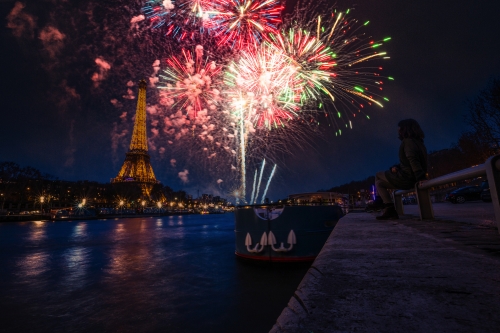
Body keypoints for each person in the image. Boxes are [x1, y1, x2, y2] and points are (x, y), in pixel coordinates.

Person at [374, 119, 428, 220]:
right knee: (379, 184)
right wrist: (397, 167)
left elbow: (413, 159)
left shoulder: (408, 142)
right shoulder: (420, 143)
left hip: (407, 178)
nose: (398, 131)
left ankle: (380, 203)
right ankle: (389, 209)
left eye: (400, 128)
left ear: (406, 129)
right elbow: (409, 160)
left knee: (378, 174)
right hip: (410, 177)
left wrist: (420, 177)